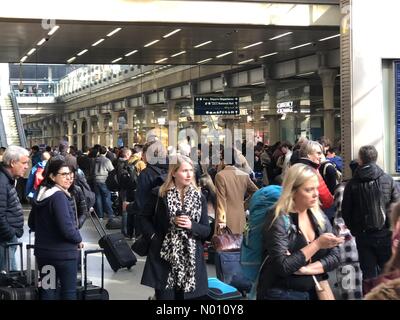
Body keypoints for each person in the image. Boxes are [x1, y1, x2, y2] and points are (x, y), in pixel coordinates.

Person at [256, 163, 343, 300]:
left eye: (316, 188)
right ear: (293, 191)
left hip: (315, 290)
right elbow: (283, 266)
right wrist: (317, 244)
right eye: (309, 190)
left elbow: (336, 256)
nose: (316, 194)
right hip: (281, 293)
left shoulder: (318, 215)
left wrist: (306, 269)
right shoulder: (277, 218)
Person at [139, 155, 210, 300]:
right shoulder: (160, 194)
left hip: (191, 262)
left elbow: (206, 230)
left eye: (191, 170)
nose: (189, 174)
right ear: (173, 172)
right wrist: (153, 238)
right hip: (164, 258)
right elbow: (143, 217)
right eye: (184, 171)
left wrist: (192, 226)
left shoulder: (199, 197)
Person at [342, 145, 400, 281]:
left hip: (363, 235)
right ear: (376, 158)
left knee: (368, 275)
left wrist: (355, 230)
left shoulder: (352, 184)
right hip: (385, 234)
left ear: (360, 160)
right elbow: (396, 206)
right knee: (388, 273)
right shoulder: (387, 179)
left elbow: (346, 211)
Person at [28, 159, 83, 300]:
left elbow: (31, 223)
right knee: (68, 292)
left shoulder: (41, 194)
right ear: (52, 176)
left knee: (48, 290)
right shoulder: (58, 197)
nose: (69, 177)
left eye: (71, 174)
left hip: (45, 255)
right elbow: (67, 229)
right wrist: (78, 239)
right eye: (64, 174)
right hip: (63, 256)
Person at [215, 148, 258, 234]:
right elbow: (257, 192)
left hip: (226, 218)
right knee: (240, 243)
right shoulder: (244, 175)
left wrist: (221, 220)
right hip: (241, 216)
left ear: (223, 159)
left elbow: (221, 200)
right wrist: (245, 204)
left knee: (225, 244)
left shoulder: (220, 176)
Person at [0, 146, 30, 271]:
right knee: (7, 279)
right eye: (24, 163)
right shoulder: (2, 181)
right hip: (4, 240)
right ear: (12, 163)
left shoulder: (7, 179)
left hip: (7, 239)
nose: (26, 166)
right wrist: (10, 233)